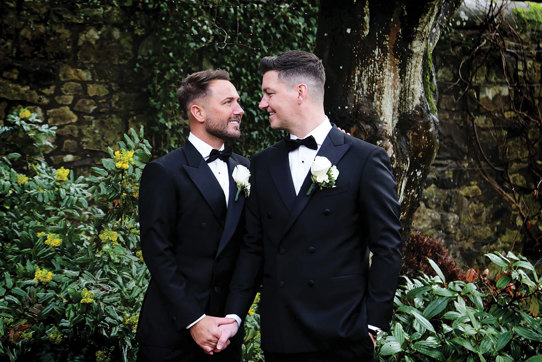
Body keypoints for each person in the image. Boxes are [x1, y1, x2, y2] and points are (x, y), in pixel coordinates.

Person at [218, 50, 403, 361]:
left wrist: (373, 323)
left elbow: (387, 245)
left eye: (269, 93)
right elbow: (253, 248)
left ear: (300, 92)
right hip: (282, 335)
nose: (262, 104)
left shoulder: (365, 159)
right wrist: (234, 317)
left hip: (343, 335)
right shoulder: (262, 164)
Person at [136, 69, 248, 361]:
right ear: (197, 111)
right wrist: (195, 320)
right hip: (172, 333)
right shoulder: (164, 171)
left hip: (226, 335)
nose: (240, 110)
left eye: (238, 101)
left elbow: (252, 249)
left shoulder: (247, 169)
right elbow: (157, 251)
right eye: (228, 102)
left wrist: (233, 319)